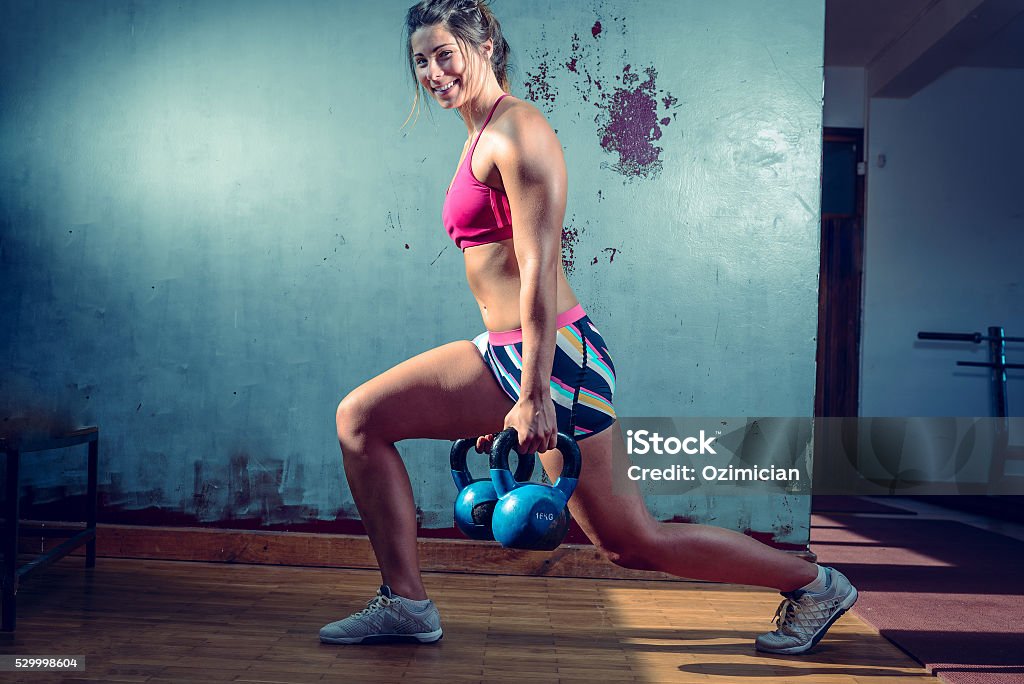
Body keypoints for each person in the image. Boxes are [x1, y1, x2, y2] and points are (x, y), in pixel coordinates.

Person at [319, 0, 857, 655]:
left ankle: (812, 581)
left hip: (551, 360)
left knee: (628, 541)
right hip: (517, 351)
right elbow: (502, 277)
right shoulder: (480, 131)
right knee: (624, 539)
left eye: (444, 55)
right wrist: (505, 386)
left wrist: (531, 390)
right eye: (421, 61)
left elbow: (541, 268)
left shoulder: (518, 134)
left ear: (484, 45)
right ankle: (405, 603)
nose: (432, 72)